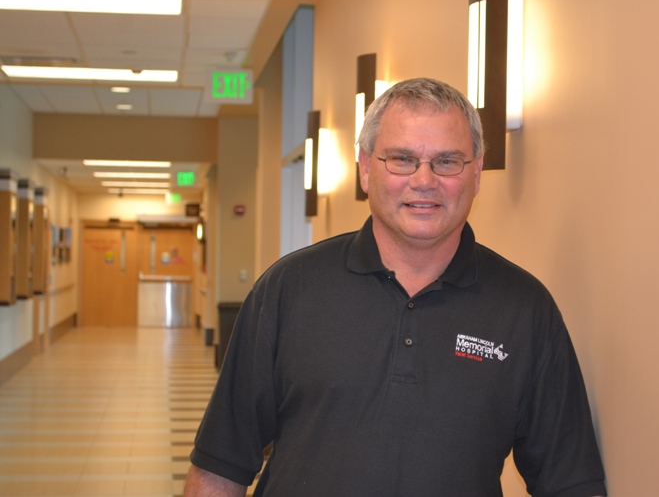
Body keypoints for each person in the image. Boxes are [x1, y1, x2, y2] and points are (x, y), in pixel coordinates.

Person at [184, 78, 607, 497]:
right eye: (402, 159)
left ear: (476, 173)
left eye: (447, 161)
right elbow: (220, 467)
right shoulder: (288, 290)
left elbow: (570, 484)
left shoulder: (525, 310)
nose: (424, 180)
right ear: (366, 168)